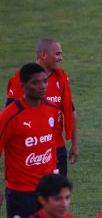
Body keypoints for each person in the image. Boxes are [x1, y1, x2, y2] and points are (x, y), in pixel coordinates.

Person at [6, 38, 79, 176]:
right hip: (29, 150)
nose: (61, 58)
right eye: (57, 54)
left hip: (56, 148)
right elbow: (8, 117)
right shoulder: (20, 80)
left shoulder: (61, 79)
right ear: (43, 55)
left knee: (58, 194)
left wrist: (74, 144)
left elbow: (71, 111)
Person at [0, 63, 59, 218]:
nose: (42, 86)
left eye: (45, 81)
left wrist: (55, 174)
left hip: (48, 190)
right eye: (36, 82)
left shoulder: (52, 109)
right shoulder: (9, 116)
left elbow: (51, 144)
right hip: (21, 193)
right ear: (23, 85)